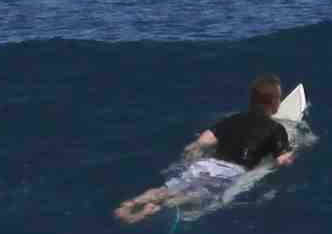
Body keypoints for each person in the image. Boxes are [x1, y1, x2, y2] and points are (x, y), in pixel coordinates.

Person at [117, 71, 304, 225]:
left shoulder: (232, 119)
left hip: (205, 164)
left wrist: (190, 156)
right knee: (195, 197)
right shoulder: (276, 129)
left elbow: (201, 142)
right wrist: (296, 146)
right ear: (276, 103)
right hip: (231, 172)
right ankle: (158, 207)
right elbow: (282, 161)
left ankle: (133, 202)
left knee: (168, 188)